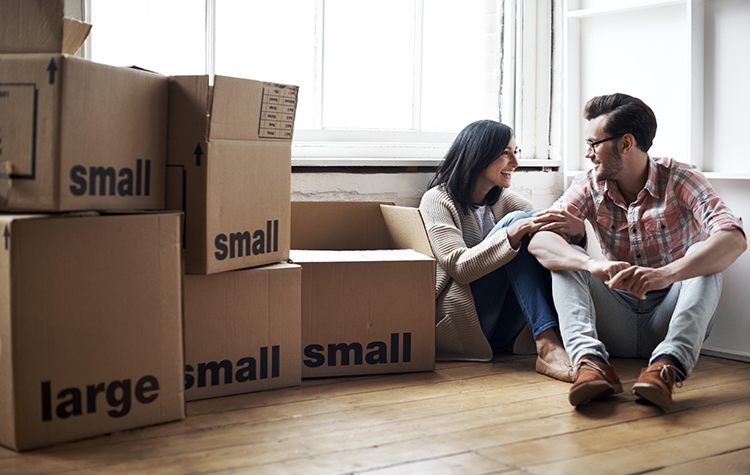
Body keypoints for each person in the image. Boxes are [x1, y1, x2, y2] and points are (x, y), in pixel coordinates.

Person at [528, 93, 747, 409]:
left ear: (626, 143)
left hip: (669, 317)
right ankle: (590, 365)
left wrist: (664, 275)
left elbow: (734, 238)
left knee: (704, 256)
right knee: (566, 258)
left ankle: (666, 367)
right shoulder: (588, 183)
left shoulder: (681, 178)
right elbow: (539, 240)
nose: (588, 154)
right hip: (614, 316)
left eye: (594, 144)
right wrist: (593, 265)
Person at [419, 119, 573, 382]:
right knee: (518, 225)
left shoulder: (505, 200)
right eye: (506, 153)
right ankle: (547, 342)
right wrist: (511, 234)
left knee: (536, 221)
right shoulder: (437, 199)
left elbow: (541, 226)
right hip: (466, 324)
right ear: (479, 154)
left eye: (516, 152)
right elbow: (459, 267)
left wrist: (571, 229)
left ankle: (570, 334)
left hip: (505, 329)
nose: (515, 163)